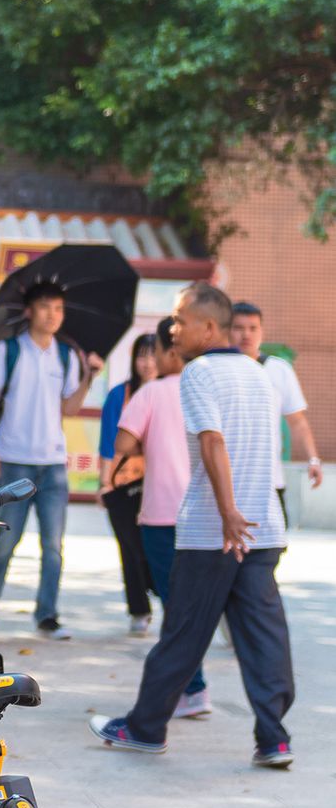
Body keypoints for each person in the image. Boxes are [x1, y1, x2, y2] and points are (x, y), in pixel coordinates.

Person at [90, 283, 295, 768]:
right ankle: (275, 739)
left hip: (214, 532)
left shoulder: (199, 372)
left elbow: (213, 442)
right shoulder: (260, 373)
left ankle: (144, 728)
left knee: (183, 633)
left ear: (208, 328)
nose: (173, 329)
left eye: (180, 320)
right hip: (263, 529)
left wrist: (226, 511)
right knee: (264, 638)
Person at [0, 281, 104, 639]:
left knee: (53, 545)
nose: (53, 315)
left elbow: (69, 408)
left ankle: (47, 613)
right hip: (14, 458)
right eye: (46, 307)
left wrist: (90, 376)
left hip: (53, 463)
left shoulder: (66, 355)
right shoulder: (8, 350)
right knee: (7, 539)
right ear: (30, 311)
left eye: (59, 309)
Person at [115, 318, 209, 718]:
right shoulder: (206, 390)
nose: (150, 359)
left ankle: (192, 688)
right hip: (203, 513)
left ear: (170, 352)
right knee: (188, 601)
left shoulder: (151, 392)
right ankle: (192, 687)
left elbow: (123, 442)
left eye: (154, 350)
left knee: (174, 603)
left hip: (160, 514)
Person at [229, 301, 323, 521]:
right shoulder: (218, 368)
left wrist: (313, 460)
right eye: (239, 327)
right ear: (228, 330)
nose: (246, 334)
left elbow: (297, 420)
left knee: (270, 551)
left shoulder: (279, 369)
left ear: (262, 331)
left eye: (253, 328)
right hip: (228, 482)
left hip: (269, 481)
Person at [97, 332, 158, 634]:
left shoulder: (170, 392)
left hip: (162, 482)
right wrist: (104, 483)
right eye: (141, 356)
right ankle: (138, 609)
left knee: (155, 546)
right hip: (123, 484)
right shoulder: (119, 395)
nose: (147, 363)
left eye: (153, 355)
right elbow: (108, 442)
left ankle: (159, 592)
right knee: (130, 547)